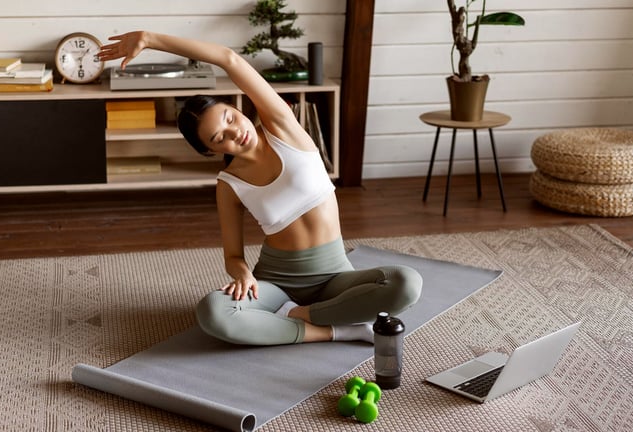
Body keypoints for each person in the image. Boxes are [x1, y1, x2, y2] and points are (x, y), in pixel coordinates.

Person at [98, 31, 422, 345]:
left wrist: (151, 39)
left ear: (236, 108)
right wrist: (242, 274)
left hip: (336, 276)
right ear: (210, 150)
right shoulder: (228, 184)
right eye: (219, 138)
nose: (233, 133)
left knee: (405, 283)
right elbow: (233, 256)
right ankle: (335, 330)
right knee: (213, 312)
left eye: (229, 118)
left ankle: (300, 316)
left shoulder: (282, 126)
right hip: (278, 284)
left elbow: (229, 59)